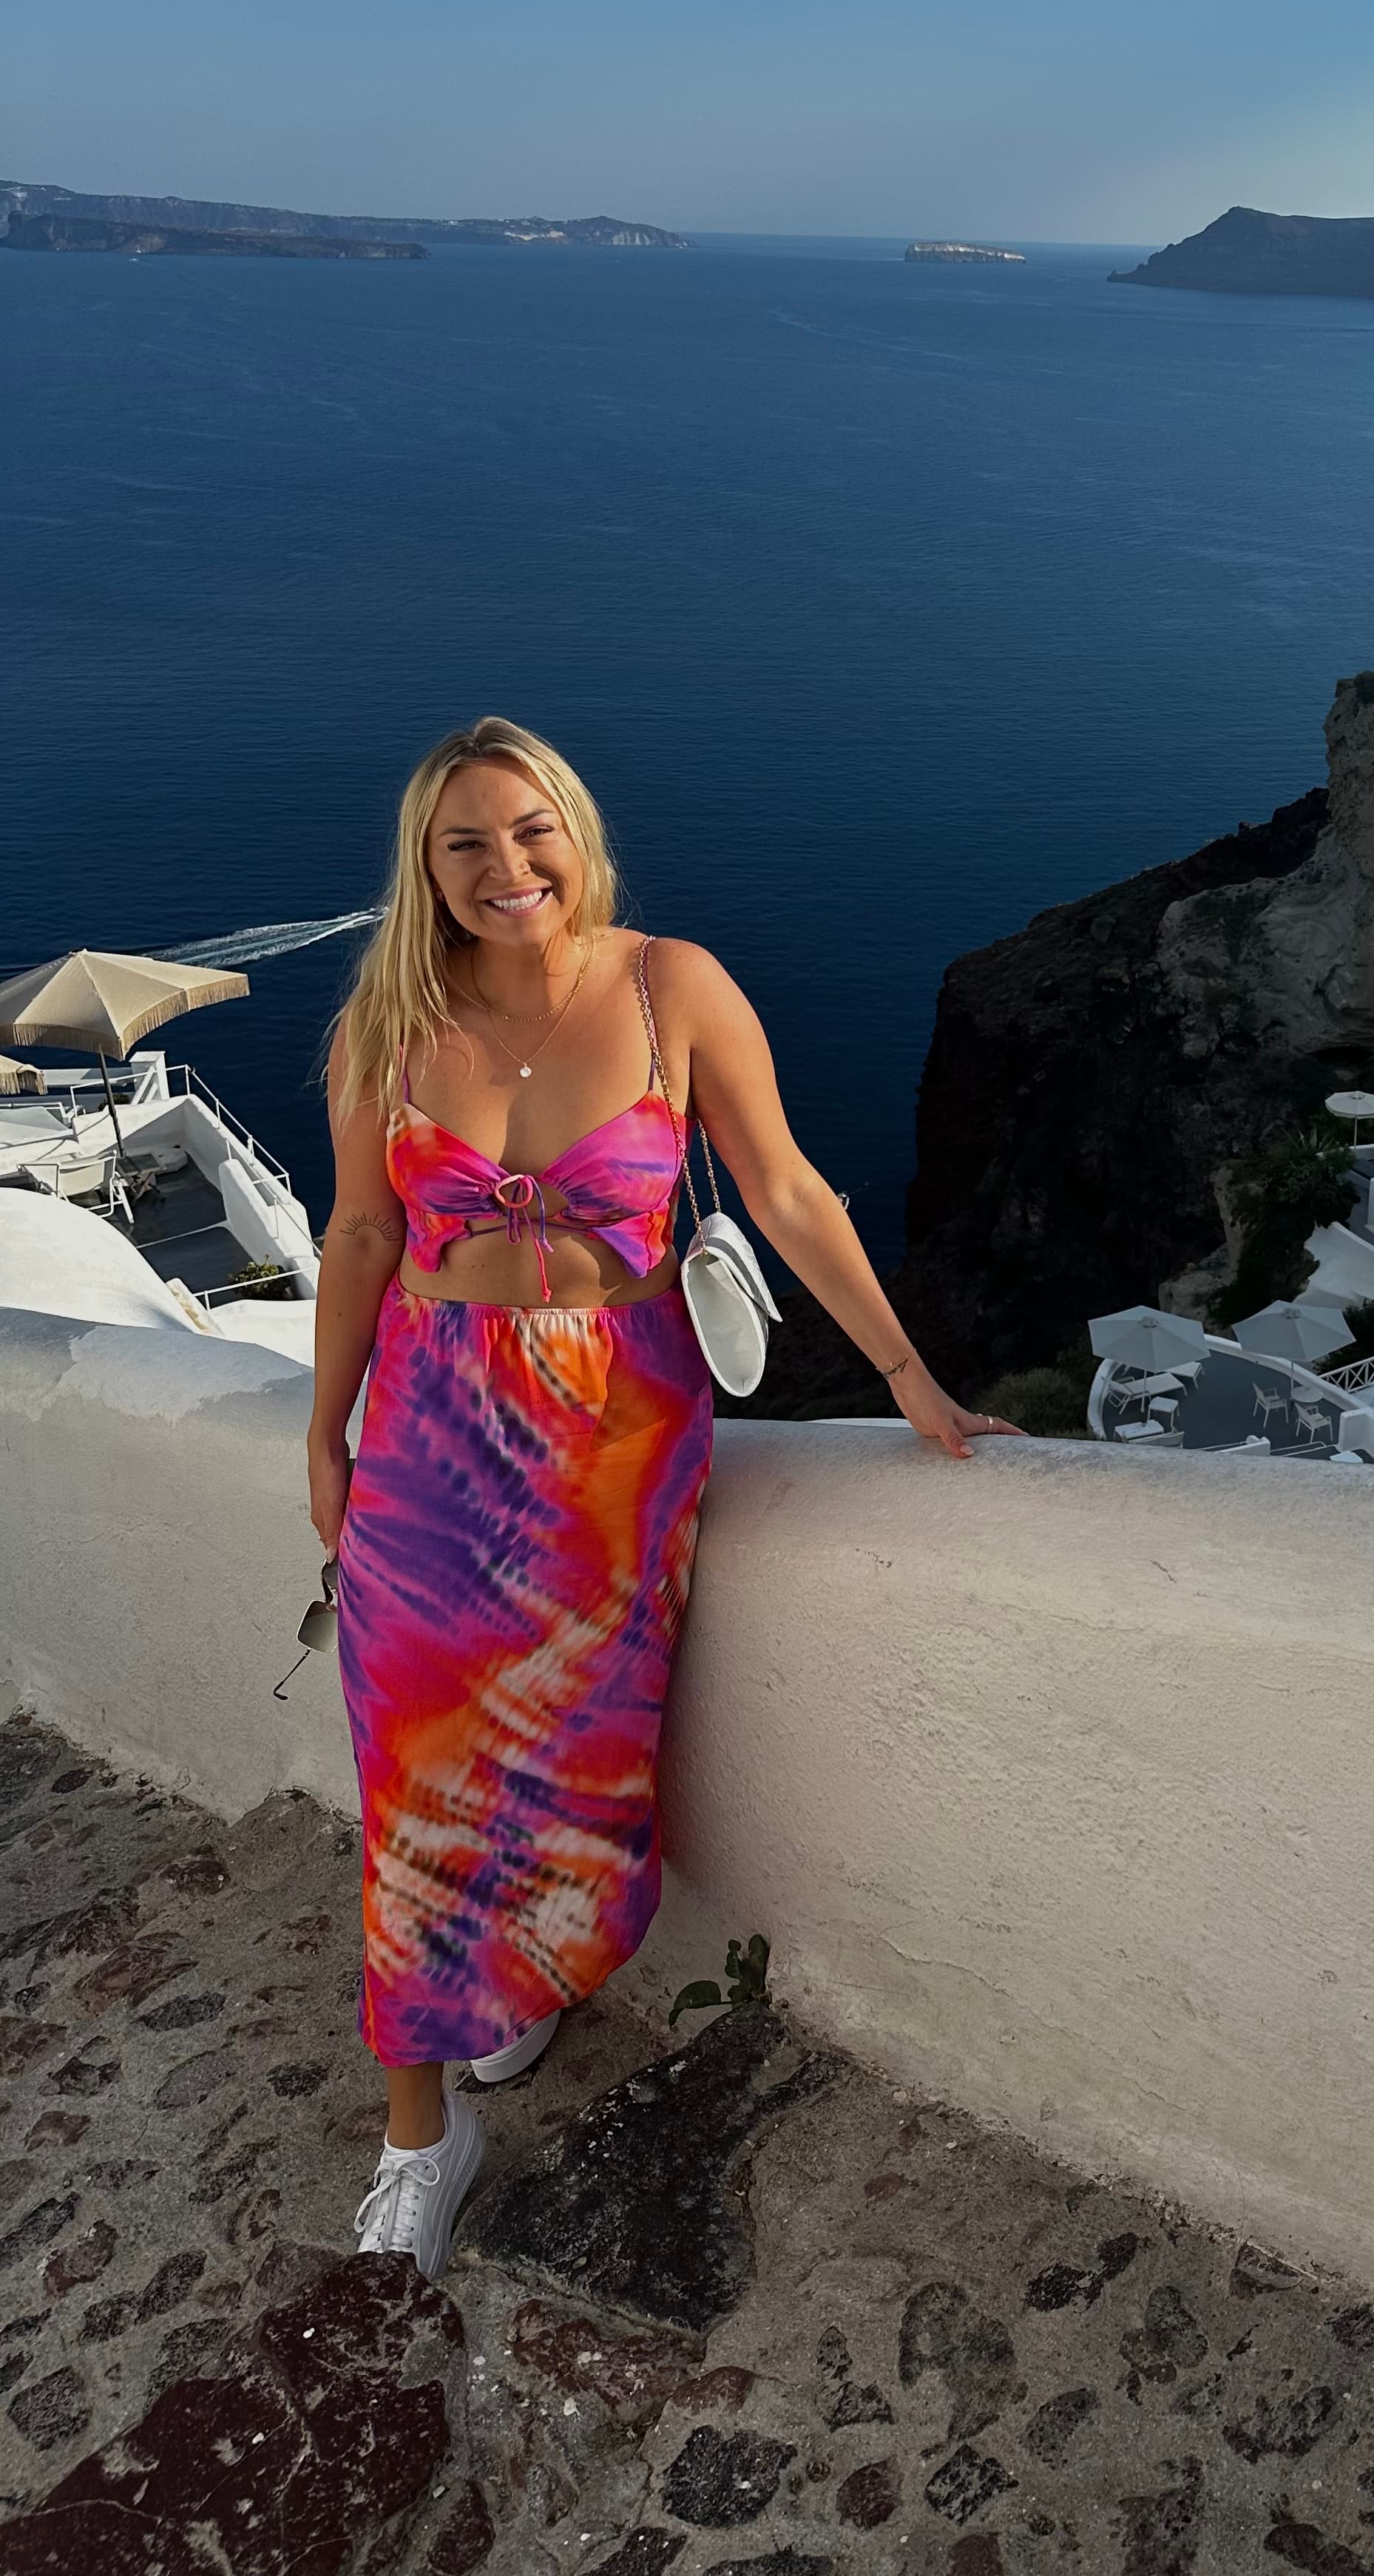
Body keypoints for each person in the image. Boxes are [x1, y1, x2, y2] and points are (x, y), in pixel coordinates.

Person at [308, 715, 1016, 2279]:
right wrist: (324, 1437)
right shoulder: (387, 1019)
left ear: (580, 830)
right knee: (409, 1767)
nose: (509, 869)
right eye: (467, 843)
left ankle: (516, 1982)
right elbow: (361, 1237)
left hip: (622, 1438)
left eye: (533, 829)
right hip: (433, 1421)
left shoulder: (669, 986)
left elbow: (785, 1190)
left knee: (570, 1740)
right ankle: (420, 2131)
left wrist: (904, 1374)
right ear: (424, 867)